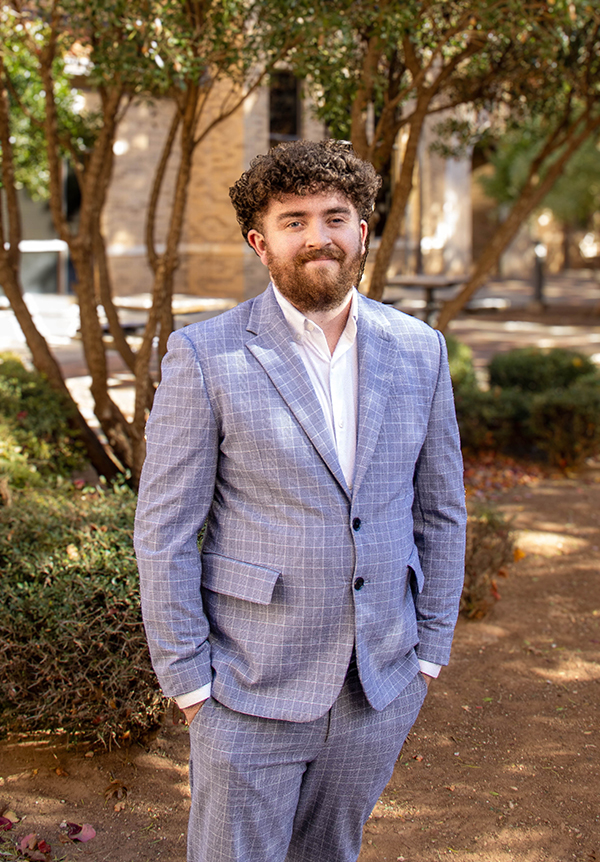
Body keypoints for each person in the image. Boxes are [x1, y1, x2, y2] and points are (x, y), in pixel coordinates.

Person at [134, 139, 467, 862]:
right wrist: (191, 684)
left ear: (362, 232)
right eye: (293, 220)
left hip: (379, 684)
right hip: (248, 685)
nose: (318, 235)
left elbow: (441, 510)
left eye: (335, 216)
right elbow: (163, 531)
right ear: (261, 242)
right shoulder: (205, 355)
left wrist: (430, 651)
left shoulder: (421, 350)